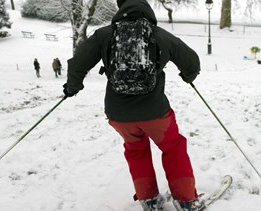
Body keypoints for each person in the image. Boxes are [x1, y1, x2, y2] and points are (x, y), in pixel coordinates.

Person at [62, 0, 201, 211]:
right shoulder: (160, 34)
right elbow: (191, 60)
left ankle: (150, 200)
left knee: (136, 150)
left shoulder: (105, 34)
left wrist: (72, 88)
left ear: (121, 8)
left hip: (119, 115)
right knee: (173, 147)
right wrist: (188, 75)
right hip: (155, 113)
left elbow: (78, 62)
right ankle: (186, 200)